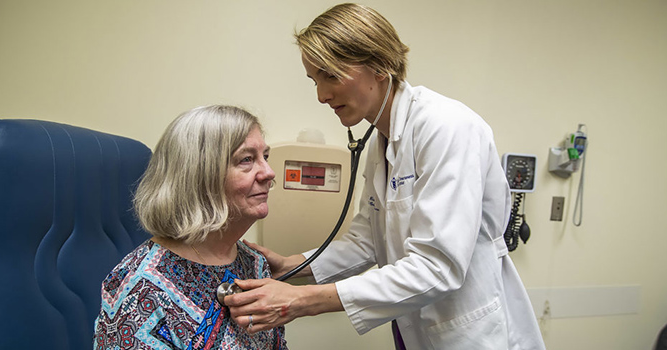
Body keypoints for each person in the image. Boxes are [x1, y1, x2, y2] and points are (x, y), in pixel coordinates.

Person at [224, 4, 545, 350]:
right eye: (314, 79)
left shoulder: (447, 128)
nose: (321, 95)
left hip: (468, 333)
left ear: (379, 66)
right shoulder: (381, 143)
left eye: (330, 75)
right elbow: (366, 242)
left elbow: (439, 266)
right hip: (416, 330)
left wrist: (303, 301)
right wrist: (294, 264)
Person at [93, 105, 287, 349]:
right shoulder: (140, 289)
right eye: (246, 160)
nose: (269, 173)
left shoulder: (254, 264)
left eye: (265, 157)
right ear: (200, 175)